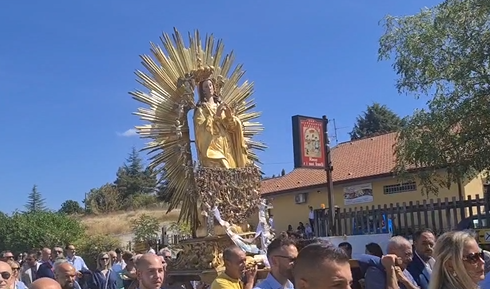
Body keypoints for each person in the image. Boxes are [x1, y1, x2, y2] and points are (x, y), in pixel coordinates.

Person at [193, 78, 249, 169]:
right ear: (202, 91)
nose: (209, 88)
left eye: (210, 85)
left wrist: (230, 117)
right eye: (206, 86)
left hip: (227, 144)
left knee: (232, 171)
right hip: (214, 147)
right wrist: (216, 116)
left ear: (214, 87)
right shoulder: (201, 110)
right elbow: (201, 132)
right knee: (222, 170)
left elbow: (231, 128)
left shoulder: (221, 106)